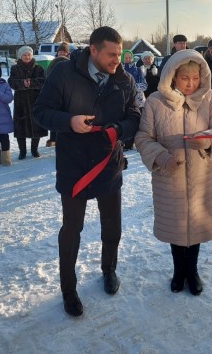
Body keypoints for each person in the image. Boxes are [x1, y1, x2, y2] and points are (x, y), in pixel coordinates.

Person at [33, 26, 140, 317]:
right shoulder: (63, 74)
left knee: (112, 226)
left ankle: (109, 270)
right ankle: (68, 289)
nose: (117, 59)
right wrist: (69, 121)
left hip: (109, 164)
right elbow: (40, 112)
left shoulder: (125, 80)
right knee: (72, 229)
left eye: (119, 54)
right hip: (74, 166)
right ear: (93, 50)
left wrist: (118, 130)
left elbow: (134, 117)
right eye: (111, 54)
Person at [135, 50, 212, 296]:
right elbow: (143, 138)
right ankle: (179, 271)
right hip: (169, 175)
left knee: (194, 224)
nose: (190, 83)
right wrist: (161, 156)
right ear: (173, 76)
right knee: (176, 226)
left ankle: (192, 271)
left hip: (200, 174)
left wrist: (207, 141)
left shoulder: (209, 99)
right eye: (185, 77)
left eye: (195, 77)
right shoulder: (155, 101)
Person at [8, 46, 48, 159]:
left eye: (29, 55)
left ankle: (34, 150)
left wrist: (31, 83)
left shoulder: (39, 68)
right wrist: (22, 84)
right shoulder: (15, 68)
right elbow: (11, 82)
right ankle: (22, 151)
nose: (27, 57)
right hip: (21, 102)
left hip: (36, 101)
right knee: (21, 128)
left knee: (36, 126)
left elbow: (43, 81)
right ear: (20, 56)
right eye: (24, 55)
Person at [45, 42, 71, 147]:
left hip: (67, 94)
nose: (62, 53)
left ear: (67, 53)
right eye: (60, 51)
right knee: (54, 116)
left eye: (64, 51)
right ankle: (53, 138)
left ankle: (64, 139)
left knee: (65, 117)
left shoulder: (71, 63)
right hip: (54, 93)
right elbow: (48, 76)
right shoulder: (53, 63)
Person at [121, 49, 147, 150]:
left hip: (138, 101)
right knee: (126, 121)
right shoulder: (119, 69)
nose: (128, 59)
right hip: (124, 100)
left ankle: (140, 142)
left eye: (129, 57)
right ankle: (126, 143)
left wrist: (132, 87)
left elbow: (144, 85)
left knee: (139, 121)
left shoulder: (138, 69)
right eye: (126, 58)